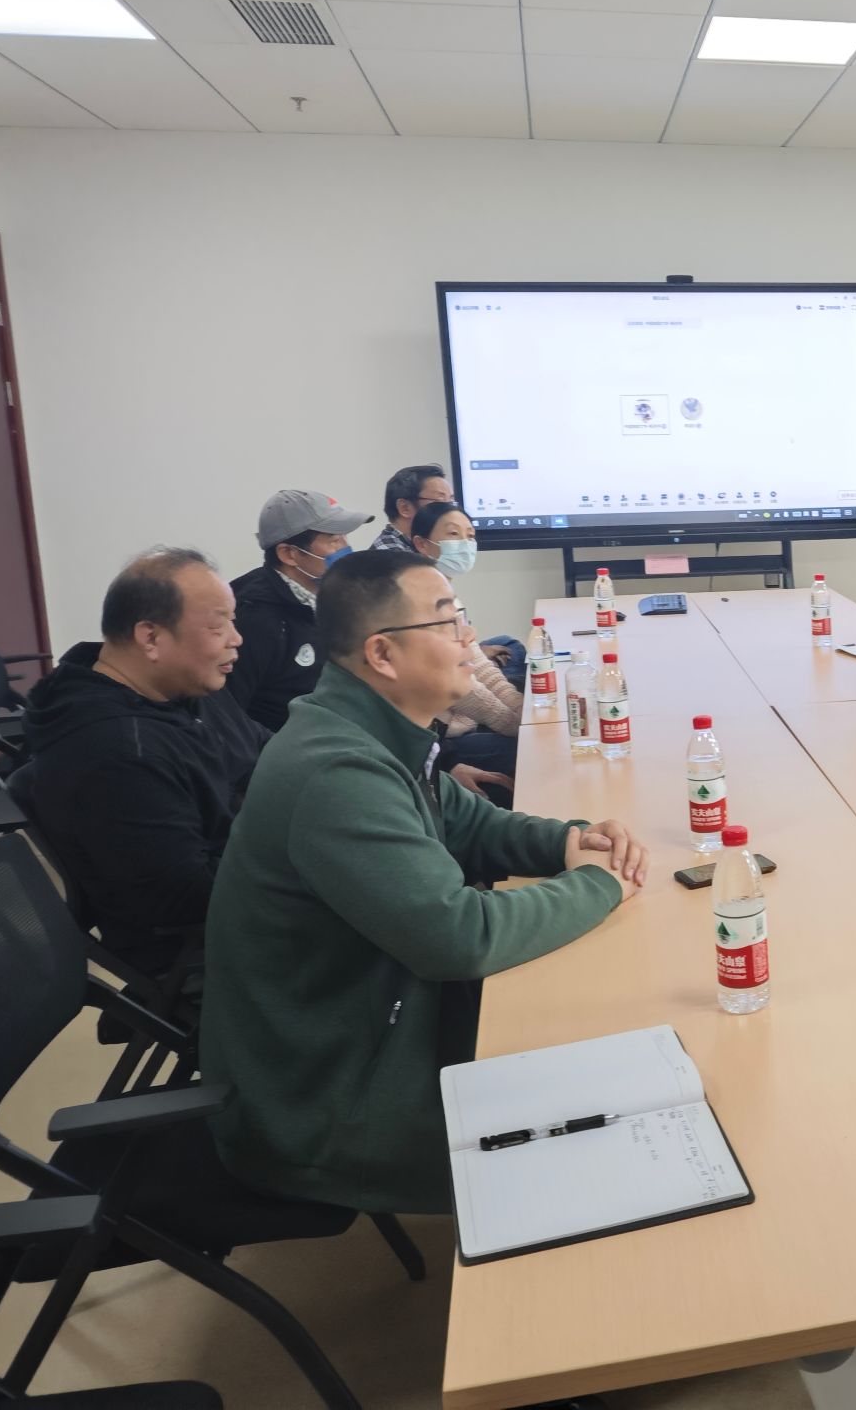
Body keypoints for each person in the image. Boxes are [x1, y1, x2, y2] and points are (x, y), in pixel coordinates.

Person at [200, 550, 650, 1214]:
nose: (471, 638)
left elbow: (470, 822)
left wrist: (569, 841)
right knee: (614, 1152)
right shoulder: (338, 772)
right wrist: (598, 884)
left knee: (616, 1053)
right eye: (448, 622)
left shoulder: (370, 730)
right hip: (332, 1102)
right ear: (382, 655)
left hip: (387, 1028)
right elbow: (459, 938)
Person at [24, 548, 269, 979]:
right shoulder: (117, 752)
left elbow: (268, 752)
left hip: (252, 885)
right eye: (218, 627)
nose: (237, 639)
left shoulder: (185, 690)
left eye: (232, 622)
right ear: (150, 638)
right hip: (207, 948)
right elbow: (190, 894)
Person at [227, 488, 372, 732]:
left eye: (344, 537)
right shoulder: (253, 617)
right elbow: (229, 715)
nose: (346, 548)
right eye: (334, 540)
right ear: (289, 554)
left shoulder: (335, 596)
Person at [411, 501, 520, 778]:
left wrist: (520, 707)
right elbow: (458, 685)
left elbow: (478, 664)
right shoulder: (416, 598)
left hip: (461, 717)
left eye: (470, 536)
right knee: (528, 751)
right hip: (440, 738)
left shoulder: (443, 587)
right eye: (453, 534)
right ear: (422, 544)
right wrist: (516, 723)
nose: (465, 544)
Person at [370, 463, 454, 554]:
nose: (451, 511)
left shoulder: (423, 546)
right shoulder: (391, 555)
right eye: (440, 502)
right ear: (404, 508)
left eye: (451, 502)